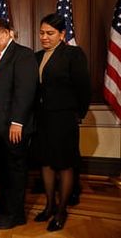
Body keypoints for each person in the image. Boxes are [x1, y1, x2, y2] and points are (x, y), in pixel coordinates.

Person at [32, 13, 91, 231]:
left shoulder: (73, 54)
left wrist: (79, 114)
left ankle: (61, 210)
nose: (44, 37)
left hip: (65, 117)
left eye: (50, 33)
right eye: (41, 33)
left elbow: (84, 87)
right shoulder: (37, 56)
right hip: (43, 118)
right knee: (46, 162)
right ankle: (49, 205)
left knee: (64, 164)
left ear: (62, 34)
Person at [0, 18, 38, 229]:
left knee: (15, 170)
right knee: (3, 170)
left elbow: (25, 91)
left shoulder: (22, 54)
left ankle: (16, 214)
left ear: (7, 33)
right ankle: (4, 204)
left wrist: (18, 122)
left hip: (14, 127)